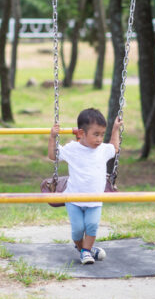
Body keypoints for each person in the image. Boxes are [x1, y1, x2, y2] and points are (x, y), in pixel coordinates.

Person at [49, 108, 122, 265]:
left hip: (95, 200)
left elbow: (114, 147)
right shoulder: (72, 149)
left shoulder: (102, 150)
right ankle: (85, 250)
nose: (99, 139)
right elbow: (53, 156)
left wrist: (115, 129)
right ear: (81, 133)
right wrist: (52, 137)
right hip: (73, 199)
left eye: (102, 134)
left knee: (92, 226)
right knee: (77, 230)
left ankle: (86, 252)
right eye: (96, 134)